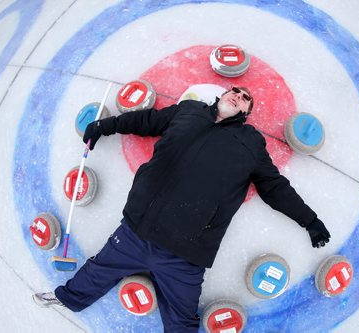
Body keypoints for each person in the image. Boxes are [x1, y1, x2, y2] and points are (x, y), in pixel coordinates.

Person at [33, 86, 331, 332]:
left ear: (245, 113)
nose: (238, 96)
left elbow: (274, 186)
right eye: (235, 91)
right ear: (221, 96)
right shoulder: (187, 112)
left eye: (245, 99)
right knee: (98, 270)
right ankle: (68, 298)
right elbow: (144, 121)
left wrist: (311, 220)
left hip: (187, 253)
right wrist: (106, 126)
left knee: (182, 321)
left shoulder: (250, 142)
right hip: (139, 228)